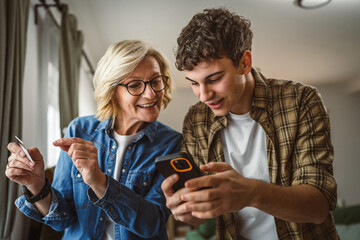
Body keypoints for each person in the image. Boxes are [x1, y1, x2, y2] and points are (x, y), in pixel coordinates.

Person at [161, 8, 339, 240]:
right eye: (194, 83)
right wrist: (184, 209)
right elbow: (200, 215)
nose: (203, 95)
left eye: (214, 79)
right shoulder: (197, 120)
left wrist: (251, 193)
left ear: (245, 63)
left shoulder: (301, 100)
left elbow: (319, 207)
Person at [5, 40, 181, 240]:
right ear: (113, 93)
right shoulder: (79, 130)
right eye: (134, 85)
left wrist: (100, 183)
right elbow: (62, 219)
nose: (151, 93)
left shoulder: (172, 143)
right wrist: (36, 185)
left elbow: (154, 224)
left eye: (156, 81)